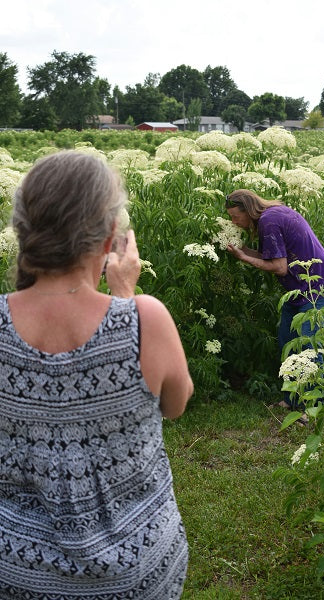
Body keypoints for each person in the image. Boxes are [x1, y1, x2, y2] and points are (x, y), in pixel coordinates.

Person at [0, 151, 193, 599]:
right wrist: (124, 293)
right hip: (137, 572)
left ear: (22, 231)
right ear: (109, 237)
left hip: (18, 573)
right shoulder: (144, 320)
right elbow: (176, 405)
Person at [225, 189, 324, 417]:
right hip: (298, 289)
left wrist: (244, 258)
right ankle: (291, 399)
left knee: (309, 347)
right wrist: (244, 250)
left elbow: (279, 267)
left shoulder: (269, 222)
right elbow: (273, 256)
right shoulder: (273, 214)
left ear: (247, 210)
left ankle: (313, 407)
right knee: (287, 342)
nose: (234, 222)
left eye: (235, 217)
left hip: (315, 287)